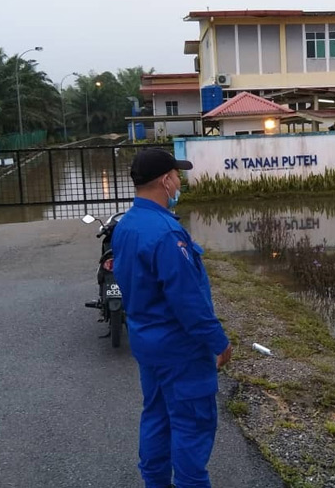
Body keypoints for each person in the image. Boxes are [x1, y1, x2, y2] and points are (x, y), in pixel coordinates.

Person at [112, 148, 232, 488]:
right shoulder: (167, 233)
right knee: (192, 423)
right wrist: (219, 342)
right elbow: (188, 301)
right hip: (180, 350)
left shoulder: (128, 224)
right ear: (166, 180)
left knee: (157, 416)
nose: (180, 182)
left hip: (147, 342)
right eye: (177, 176)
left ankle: (155, 483)